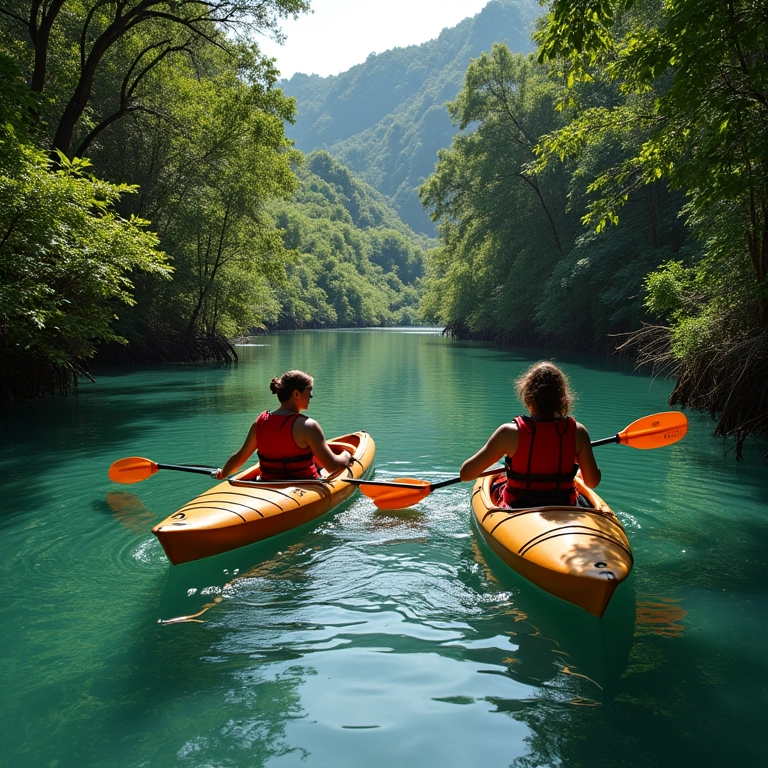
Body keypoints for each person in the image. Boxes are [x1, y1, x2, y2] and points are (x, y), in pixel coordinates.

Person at [459, 361, 601, 508]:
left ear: (528, 396)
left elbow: (465, 474)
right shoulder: (578, 433)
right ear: (562, 399)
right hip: (564, 504)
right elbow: (592, 482)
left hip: (518, 506)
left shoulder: (509, 433)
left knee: (496, 483)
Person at [213, 370, 353, 481]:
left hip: (268, 482)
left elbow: (240, 458)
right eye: (309, 392)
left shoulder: (261, 422)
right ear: (296, 394)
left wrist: (223, 473)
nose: (311, 397)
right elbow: (333, 467)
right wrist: (347, 455)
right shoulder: (308, 426)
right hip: (306, 484)